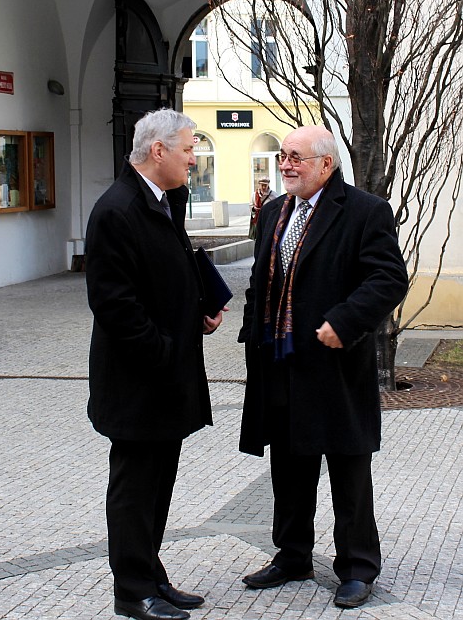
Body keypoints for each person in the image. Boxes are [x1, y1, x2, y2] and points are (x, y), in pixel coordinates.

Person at [238, 125, 408, 609]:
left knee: (347, 466)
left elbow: (389, 277)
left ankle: (357, 566)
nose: (285, 164)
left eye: (295, 157)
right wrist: (253, 331)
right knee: (288, 464)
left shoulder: (363, 211)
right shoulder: (274, 212)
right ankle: (291, 554)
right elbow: (259, 281)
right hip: (280, 362)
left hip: (333, 366)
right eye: (283, 156)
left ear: (326, 164)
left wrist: (344, 321)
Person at [86, 109, 225, 620]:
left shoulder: (163, 201)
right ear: (158, 151)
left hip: (165, 377)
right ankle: (132, 591)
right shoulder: (117, 210)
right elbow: (115, 305)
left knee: (157, 483)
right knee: (134, 488)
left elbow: (166, 278)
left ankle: (151, 574)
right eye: (188, 149)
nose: (194, 158)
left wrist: (196, 315)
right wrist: (167, 352)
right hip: (138, 382)